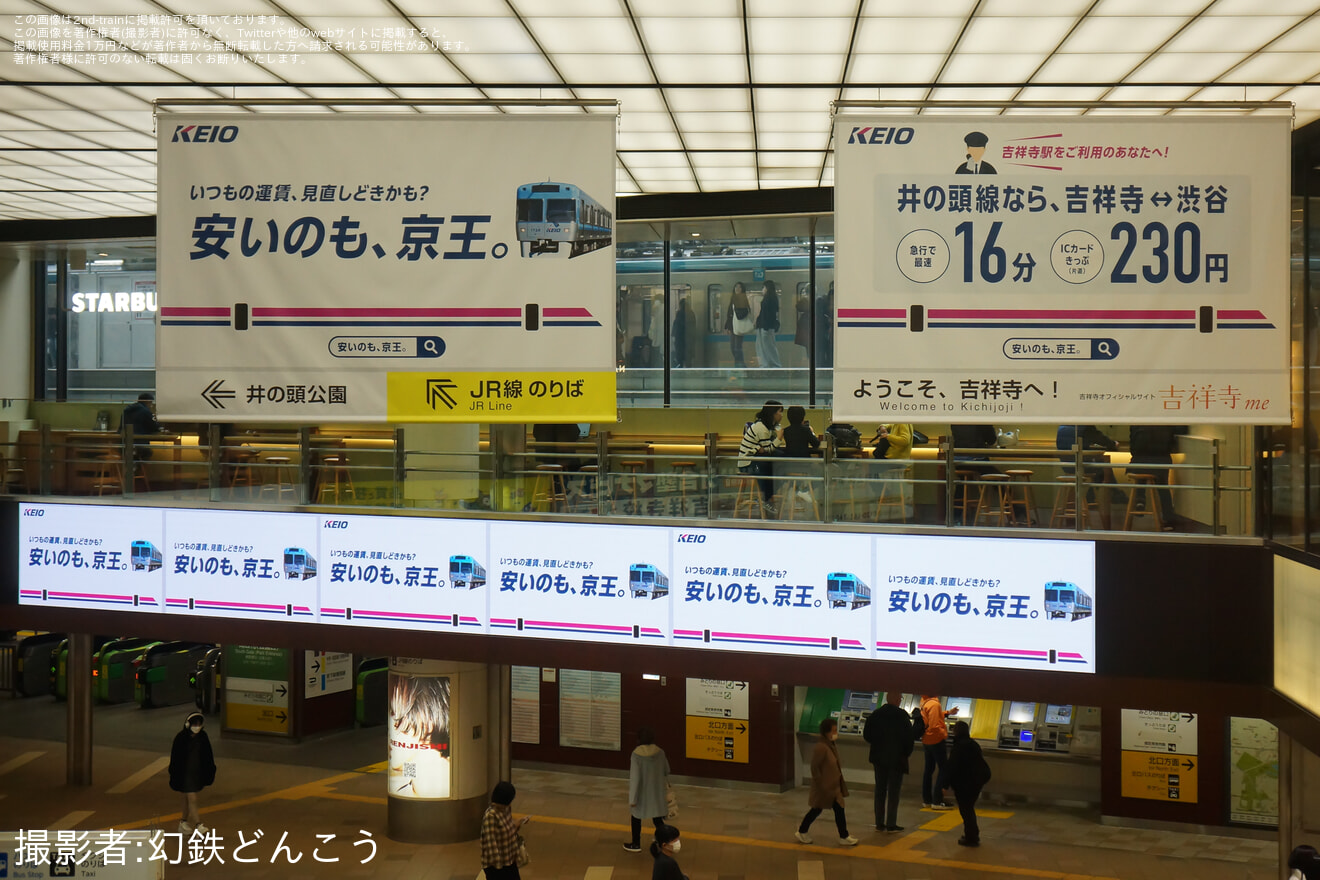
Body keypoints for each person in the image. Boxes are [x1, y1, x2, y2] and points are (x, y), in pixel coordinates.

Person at [795, 717, 858, 847]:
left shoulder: (830, 746)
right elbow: (815, 767)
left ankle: (843, 835)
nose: (835, 733)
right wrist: (821, 784)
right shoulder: (821, 747)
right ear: (826, 732)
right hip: (824, 788)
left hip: (832, 788)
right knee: (816, 810)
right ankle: (802, 831)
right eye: (833, 730)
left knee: (837, 809)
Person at [862, 691, 913, 833]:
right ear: (896, 699)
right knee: (894, 792)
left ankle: (879, 823)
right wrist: (905, 753)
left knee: (880, 790)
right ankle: (891, 823)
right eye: (900, 698)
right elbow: (909, 739)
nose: (901, 700)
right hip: (897, 760)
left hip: (878, 758)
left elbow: (867, 735)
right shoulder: (902, 716)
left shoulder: (876, 714)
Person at [1057, 425, 1121, 527]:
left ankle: (1091, 497)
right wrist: (1113, 444)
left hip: (1067, 467)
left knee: (1094, 471)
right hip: (1081, 467)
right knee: (1103, 467)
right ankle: (1113, 494)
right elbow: (1101, 439)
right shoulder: (1086, 427)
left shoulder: (1062, 426)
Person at [1128, 424, 1187, 528]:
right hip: (1160, 462)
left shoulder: (1137, 420)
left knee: (1141, 471)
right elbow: (1181, 430)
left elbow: (1133, 447)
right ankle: (1168, 516)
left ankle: (1140, 498)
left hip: (1138, 462)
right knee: (1163, 487)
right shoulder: (1165, 421)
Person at [169, 710, 216, 835]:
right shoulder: (181, 738)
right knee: (192, 798)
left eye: (199, 724)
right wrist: (174, 773)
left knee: (186, 798)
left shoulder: (203, 737)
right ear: (188, 724)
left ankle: (183, 822)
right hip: (184, 773)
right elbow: (175, 758)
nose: (197, 726)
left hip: (196, 774)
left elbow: (208, 756)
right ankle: (198, 824)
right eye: (194, 724)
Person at [945, 720, 991, 847]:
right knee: (969, 808)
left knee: (966, 810)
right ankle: (973, 834)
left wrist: (945, 785)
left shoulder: (959, 746)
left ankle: (972, 837)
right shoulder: (973, 744)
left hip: (964, 784)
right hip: (977, 781)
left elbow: (952, 766)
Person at [625, 726, 670, 853]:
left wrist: (632, 799)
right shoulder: (660, 752)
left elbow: (635, 778)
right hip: (657, 792)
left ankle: (636, 843)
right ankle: (665, 841)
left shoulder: (636, 755)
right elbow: (667, 770)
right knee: (657, 819)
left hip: (642, 794)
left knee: (636, 817)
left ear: (638, 739)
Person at [737, 400, 785, 515]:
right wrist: (779, 439)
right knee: (772, 467)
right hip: (748, 465)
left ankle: (767, 497)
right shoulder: (761, 428)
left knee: (778, 462)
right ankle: (765, 498)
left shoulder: (767, 426)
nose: (781, 415)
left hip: (755, 461)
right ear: (773, 413)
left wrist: (768, 446)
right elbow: (768, 449)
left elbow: (765, 449)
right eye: (780, 412)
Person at [481, 780, 531, 879]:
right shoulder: (491, 816)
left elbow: (507, 828)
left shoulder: (506, 809)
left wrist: (519, 822)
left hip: (509, 859)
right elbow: (491, 845)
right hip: (497, 866)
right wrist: (500, 869)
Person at [919, 694, 958, 810]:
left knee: (928, 770)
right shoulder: (935, 704)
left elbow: (932, 717)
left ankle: (927, 800)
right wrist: (944, 735)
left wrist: (947, 713)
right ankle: (937, 800)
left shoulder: (924, 701)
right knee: (944, 769)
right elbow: (935, 725)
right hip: (936, 740)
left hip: (926, 740)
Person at [122, 392, 163, 460]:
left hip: (124, 444)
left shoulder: (127, 410)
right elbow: (154, 426)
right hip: (139, 443)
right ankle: (138, 468)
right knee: (147, 453)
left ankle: (132, 468)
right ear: (148, 402)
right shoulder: (145, 411)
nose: (151, 405)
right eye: (151, 403)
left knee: (133, 456)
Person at [754, 280, 783, 368]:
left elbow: (768, 314)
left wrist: (764, 326)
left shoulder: (769, 299)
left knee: (767, 347)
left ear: (767, 288)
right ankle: (766, 364)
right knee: (766, 346)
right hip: (764, 326)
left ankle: (772, 364)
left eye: (763, 287)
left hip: (766, 327)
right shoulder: (772, 298)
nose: (763, 289)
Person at [723, 282, 752, 367]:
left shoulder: (742, 299)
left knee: (737, 348)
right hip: (732, 327)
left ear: (742, 289)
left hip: (739, 326)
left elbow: (744, 312)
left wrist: (737, 311)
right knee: (733, 348)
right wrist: (727, 326)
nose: (737, 289)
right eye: (736, 287)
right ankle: (740, 366)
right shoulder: (733, 298)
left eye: (739, 287)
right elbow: (730, 314)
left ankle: (740, 367)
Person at [671, 297, 695, 369]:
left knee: (680, 358)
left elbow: (676, 326)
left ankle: (680, 371)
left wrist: (673, 335)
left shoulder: (680, 313)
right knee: (688, 359)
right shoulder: (691, 313)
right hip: (689, 340)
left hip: (680, 340)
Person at [815, 283, 834, 368]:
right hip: (826, 334)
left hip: (829, 334)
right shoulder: (823, 304)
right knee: (825, 352)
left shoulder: (825, 305)